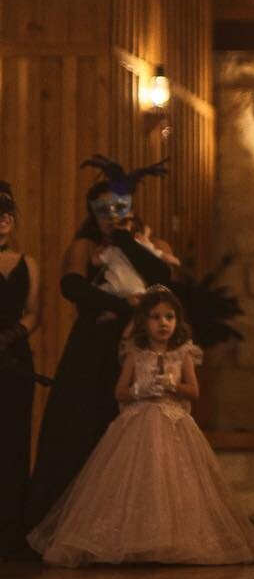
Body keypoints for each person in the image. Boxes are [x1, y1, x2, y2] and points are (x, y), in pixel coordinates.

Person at [29, 286, 254, 565]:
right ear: (144, 321)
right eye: (155, 317)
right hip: (138, 424)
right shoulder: (135, 354)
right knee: (138, 480)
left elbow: (194, 390)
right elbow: (120, 392)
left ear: (178, 321)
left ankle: (172, 540)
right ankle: (135, 540)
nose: (163, 323)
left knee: (173, 481)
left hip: (174, 424)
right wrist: (140, 389)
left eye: (169, 317)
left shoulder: (183, 353)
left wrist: (173, 385)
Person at [28, 156, 173, 521]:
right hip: (94, 349)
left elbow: (162, 276)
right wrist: (123, 305)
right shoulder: (85, 247)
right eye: (103, 210)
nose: (111, 215)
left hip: (138, 348)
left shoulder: (147, 243)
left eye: (119, 208)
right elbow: (72, 284)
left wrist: (127, 241)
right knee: (82, 426)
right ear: (92, 213)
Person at [0, 183, 42, 559]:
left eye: (6, 215)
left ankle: (12, 532)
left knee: (14, 440)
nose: (2, 222)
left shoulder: (27, 263)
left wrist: (10, 336)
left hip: (15, 360)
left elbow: (33, 312)